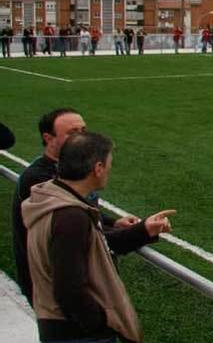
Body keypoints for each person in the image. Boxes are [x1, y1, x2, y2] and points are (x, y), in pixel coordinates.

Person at [23, 131, 175, 343]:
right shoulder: (70, 217)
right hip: (77, 334)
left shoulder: (51, 199)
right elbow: (69, 291)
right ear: (98, 168)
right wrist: (101, 324)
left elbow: (96, 245)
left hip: (61, 327)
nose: (110, 170)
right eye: (109, 164)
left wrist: (144, 231)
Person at [11, 109, 140, 306]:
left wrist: (113, 221)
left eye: (84, 130)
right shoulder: (40, 180)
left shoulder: (69, 168)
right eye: (73, 132)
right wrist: (144, 232)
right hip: (54, 294)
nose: (82, 137)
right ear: (48, 138)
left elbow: (84, 210)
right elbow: (87, 239)